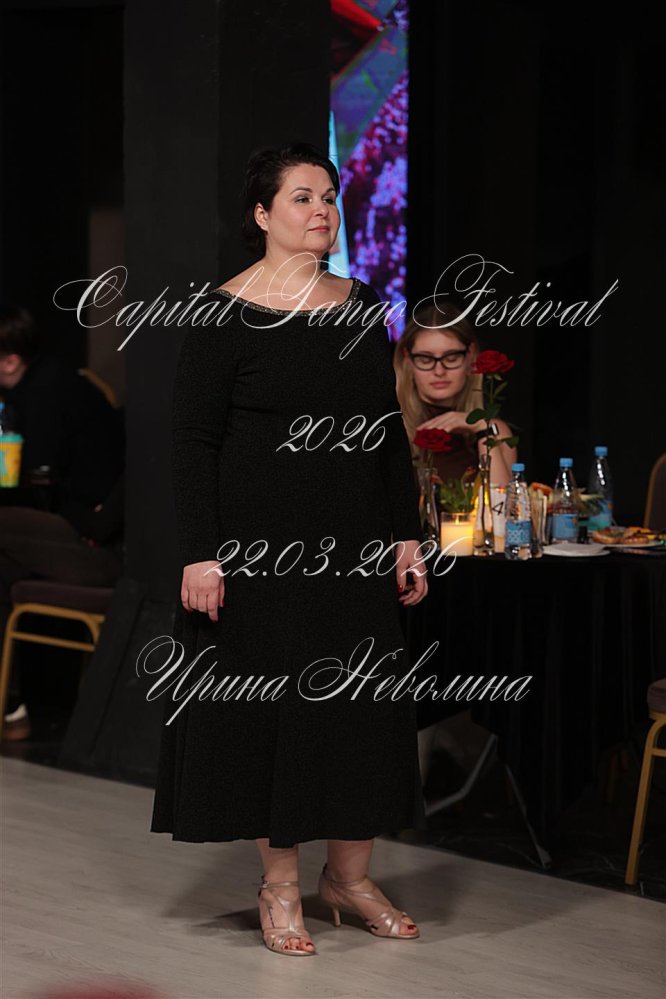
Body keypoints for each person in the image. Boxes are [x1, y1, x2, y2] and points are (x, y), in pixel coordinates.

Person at [150, 143, 429, 955]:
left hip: (353, 548)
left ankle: (348, 877)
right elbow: (193, 442)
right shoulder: (222, 312)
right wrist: (201, 553)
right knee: (273, 717)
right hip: (259, 555)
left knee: (359, 711)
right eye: (303, 197)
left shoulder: (361, 304)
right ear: (262, 214)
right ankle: (279, 887)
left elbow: (384, 431)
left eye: (330, 197)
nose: (323, 210)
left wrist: (404, 534)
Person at [0, 306, 125, 738]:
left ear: (10, 360)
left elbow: (51, 484)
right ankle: (14, 706)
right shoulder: (31, 391)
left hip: (101, 544)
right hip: (76, 526)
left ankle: (16, 704)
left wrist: (92, 520)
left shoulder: (49, 393)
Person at [394, 301, 517, 485]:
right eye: (425, 359)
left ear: (471, 356)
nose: (439, 371)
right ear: (408, 360)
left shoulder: (494, 430)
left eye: (451, 358)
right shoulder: (389, 426)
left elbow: (499, 500)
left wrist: (481, 428)